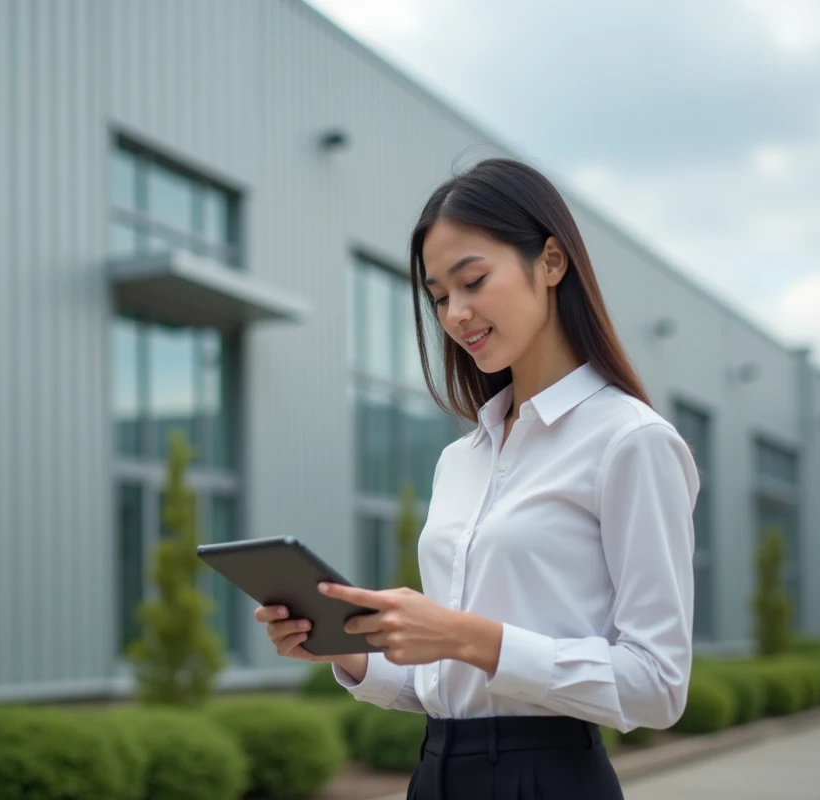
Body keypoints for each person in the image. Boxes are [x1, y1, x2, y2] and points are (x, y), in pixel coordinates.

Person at [255, 158, 699, 799]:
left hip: (549, 779)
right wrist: (344, 649)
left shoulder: (630, 441)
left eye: (473, 280)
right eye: (438, 297)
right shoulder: (460, 460)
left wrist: (468, 636)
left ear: (551, 262)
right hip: (437, 773)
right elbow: (446, 685)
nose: (455, 314)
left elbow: (658, 687)